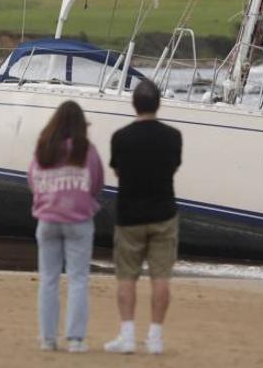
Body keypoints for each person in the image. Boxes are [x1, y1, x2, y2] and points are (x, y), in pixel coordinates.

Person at [104, 79, 182, 355]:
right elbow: (173, 168)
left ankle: (127, 334)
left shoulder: (121, 137)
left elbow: (118, 171)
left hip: (129, 215)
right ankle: (155, 337)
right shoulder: (173, 136)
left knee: (127, 276)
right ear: (159, 104)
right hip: (163, 213)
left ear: (134, 104)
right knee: (161, 277)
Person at [27, 101, 104, 353]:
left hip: (48, 220)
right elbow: (97, 183)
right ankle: (75, 340)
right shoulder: (86, 150)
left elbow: (32, 181)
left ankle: (48, 339)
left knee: (48, 280)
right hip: (79, 221)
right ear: (82, 125)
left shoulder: (43, 150)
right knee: (78, 279)